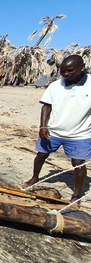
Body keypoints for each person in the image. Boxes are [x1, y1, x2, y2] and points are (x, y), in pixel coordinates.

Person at [24, 55, 91, 202]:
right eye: (63, 71)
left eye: (70, 71)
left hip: (80, 134)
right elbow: (46, 106)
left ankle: (76, 194)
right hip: (53, 130)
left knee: (78, 163)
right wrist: (42, 126)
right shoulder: (55, 86)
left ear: (82, 67)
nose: (66, 74)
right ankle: (35, 177)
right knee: (41, 155)